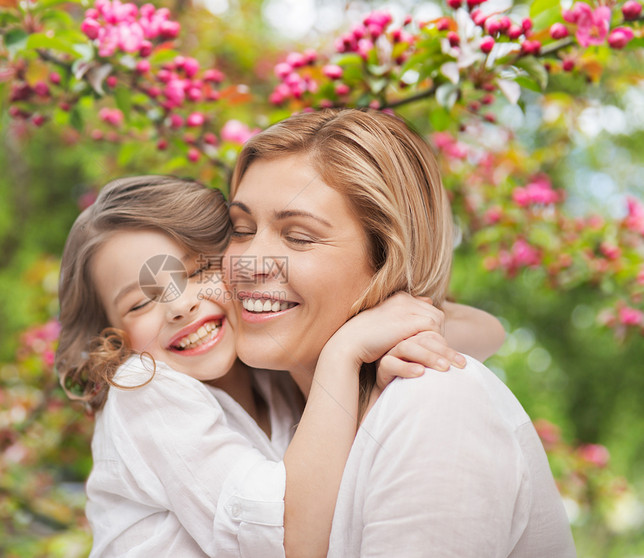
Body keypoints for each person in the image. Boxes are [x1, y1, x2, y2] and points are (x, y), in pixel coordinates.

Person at [55, 175, 497, 557]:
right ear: (113, 340)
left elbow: (487, 330)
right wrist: (344, 350)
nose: (179, 306)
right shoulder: (143, 386)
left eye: (195, 271)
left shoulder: (268, 365)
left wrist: (367, 320)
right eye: (141, 302)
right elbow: (287, 543)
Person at [225, 108, 576, 557]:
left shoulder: (433, 404)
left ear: (387, 258)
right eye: (240, 229)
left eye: (299, 237)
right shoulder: (268, 408)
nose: (246, 263)